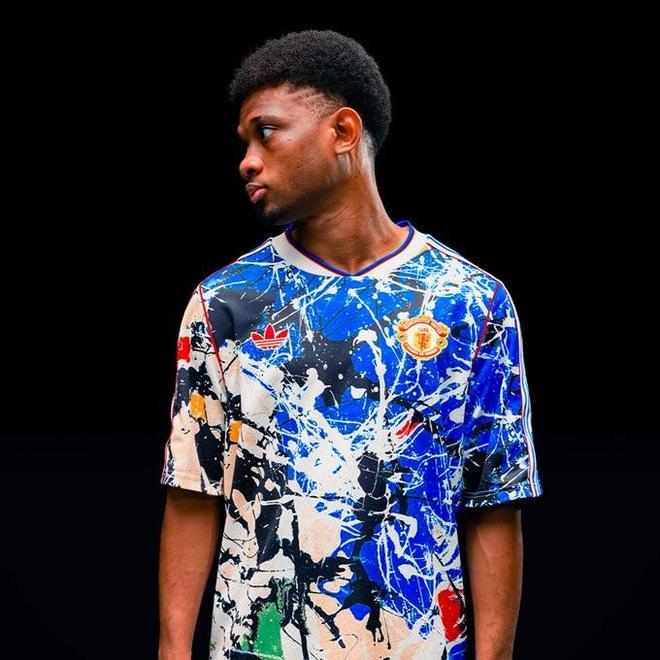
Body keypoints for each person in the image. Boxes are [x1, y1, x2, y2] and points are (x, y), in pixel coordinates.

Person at [158, 29, 543, 660]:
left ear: (342, 131)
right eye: (244, 142)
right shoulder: (224, 304)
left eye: (266, 132)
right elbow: (193, 490)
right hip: (262, 645)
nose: (247, 161)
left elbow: (493, 500)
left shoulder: (471, 301)